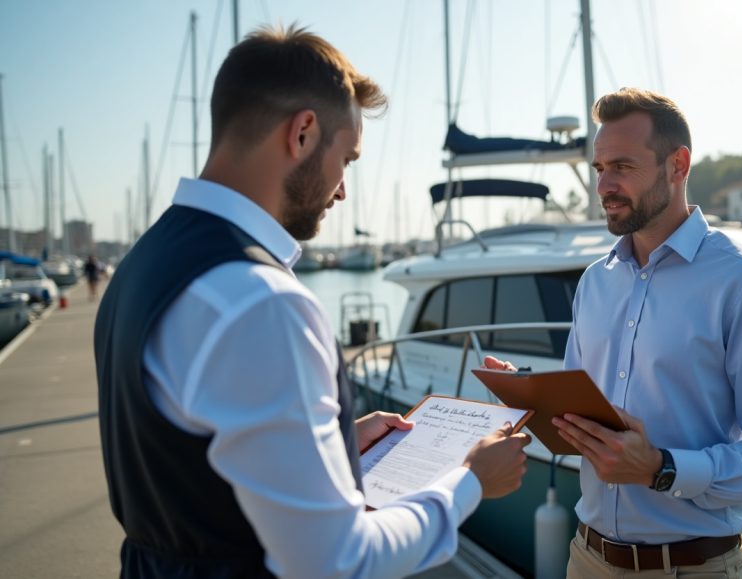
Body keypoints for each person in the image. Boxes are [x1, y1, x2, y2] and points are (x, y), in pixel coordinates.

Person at [94, 25, 530, 579]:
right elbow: (339, 561)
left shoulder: (143, 266)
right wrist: (470, 480)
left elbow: (185, 461)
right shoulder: (259, 301)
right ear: (302, 133)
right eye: (346, 158)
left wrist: (336, 446)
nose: (343, 190)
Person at [485, 88, 742, 578]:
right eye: (599, 169)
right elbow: (588, 415)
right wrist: (531, 397)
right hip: (587, 557)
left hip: (692, 568)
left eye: (623, 166)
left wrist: (663, 467)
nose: (604, 185)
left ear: (677, 165)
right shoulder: (596, 280)